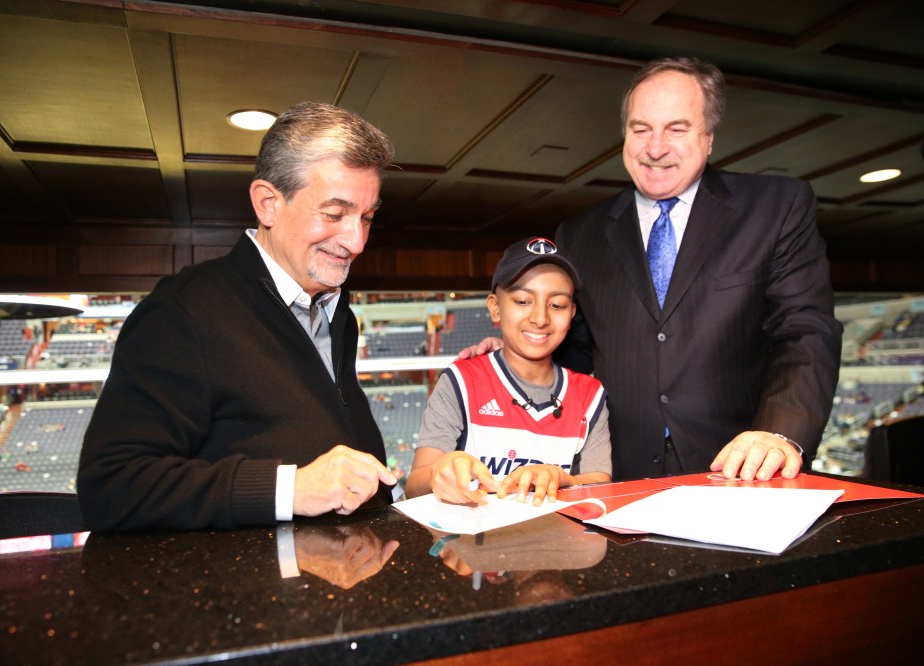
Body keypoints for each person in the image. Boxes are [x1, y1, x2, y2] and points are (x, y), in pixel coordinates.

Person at [464, 57, 842, 483]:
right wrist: (514, 352)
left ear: (709, 137)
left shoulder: (776, 207)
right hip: (619, 475)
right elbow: (575, 352)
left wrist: (779, 432)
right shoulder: (580, 233)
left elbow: (806, 332)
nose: (656, 147)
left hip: (741, 471)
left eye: (677, 129)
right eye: (640, 129)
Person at [77, 102, 398, 531]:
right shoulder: (183, 312)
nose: (356, 241)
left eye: (367, 217)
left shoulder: (339, 312)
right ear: (268, 203)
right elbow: (112, 487)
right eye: (335, 214)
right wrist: (291, 489)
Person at [407, 237, 612, 507]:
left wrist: (563, 479)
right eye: (523, 301)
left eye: (558, 305)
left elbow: (601, 483)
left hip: (553, 543)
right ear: (495, 307)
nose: (540, 318)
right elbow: (414, 486)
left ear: (572, 314)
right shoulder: (461, 380)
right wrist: (441, 470)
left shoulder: (590, 394)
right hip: (472, 543)